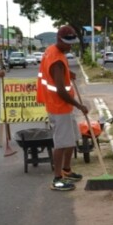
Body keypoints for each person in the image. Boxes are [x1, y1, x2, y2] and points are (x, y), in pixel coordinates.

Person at [36, 25, 89, 191]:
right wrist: (79, 105)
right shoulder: (56, 60)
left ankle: (67, 170)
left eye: (72, 43)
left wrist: (68, 75)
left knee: (71, 139)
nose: (70, 46)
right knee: (60, 143)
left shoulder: (54, 51)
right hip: (59, 107)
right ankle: (57, 179)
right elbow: (60, 90)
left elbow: (57, 78)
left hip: (63, 106)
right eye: (68, 43)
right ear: (59, 40)